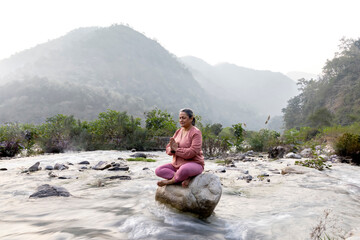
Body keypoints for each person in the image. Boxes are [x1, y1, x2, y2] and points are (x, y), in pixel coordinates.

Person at [155, 108, 204, 188]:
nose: (181, 120)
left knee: (184, 169)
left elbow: (192, 152)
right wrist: (172, 150)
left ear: (191, 118)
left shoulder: (196, 132)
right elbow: (168, 148)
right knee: (158, 170)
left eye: (183, 118)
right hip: (176, 166)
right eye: (180, 118)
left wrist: (176, 150)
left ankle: (171, 181)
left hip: (194, 164)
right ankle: (183, 178)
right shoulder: (178, 131)